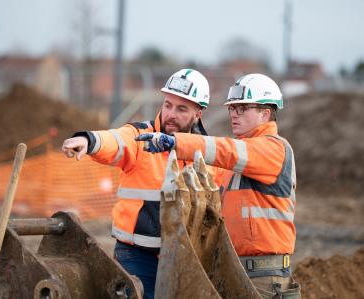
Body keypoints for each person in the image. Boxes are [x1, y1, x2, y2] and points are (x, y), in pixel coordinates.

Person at [137, 73, 301, 298]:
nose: (234, 114)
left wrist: (177, 141)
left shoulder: (274, 149)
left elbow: (227, 150)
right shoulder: (238, 162)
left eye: (242, 108)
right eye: (232, 109)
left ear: (265, 113)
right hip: (235, 269)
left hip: (265, 276)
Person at [61, 68, 216, 299]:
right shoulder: (140, 136)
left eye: (181, 108)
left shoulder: (206, 153)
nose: (170, 114)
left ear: (198, 114)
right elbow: (115, 141)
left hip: (185, 257)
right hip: (136, 256)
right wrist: (89, 139)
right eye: (167, 105)